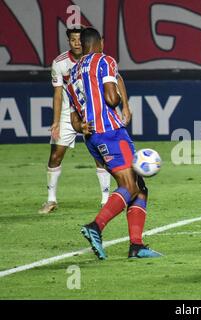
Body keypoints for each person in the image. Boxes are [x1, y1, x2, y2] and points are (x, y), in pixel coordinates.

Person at [67, 27, 160, 259]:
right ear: (98, 43)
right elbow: (111, 97)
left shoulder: (73, 73)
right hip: (111, 131)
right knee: (130, 185)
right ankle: (96, 227)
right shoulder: (104, 60)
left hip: (92, 138)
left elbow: (74, 119)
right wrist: (119, 98)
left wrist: (81, 128)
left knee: (139, 187)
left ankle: (136, 246)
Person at [38, 26, 131, 214]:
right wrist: (57, 121)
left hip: (90, 112)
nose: (76, 43)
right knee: (56, 155)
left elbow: (117, 79)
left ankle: (105, 199)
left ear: (85, 41)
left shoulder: (87, 65)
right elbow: (58, 94)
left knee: (102, 157)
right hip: (80, 114)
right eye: (73, 40)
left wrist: (125, 106)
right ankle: (51, 199)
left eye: (79, 40)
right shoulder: (64, 63)